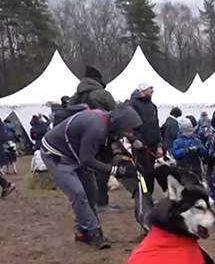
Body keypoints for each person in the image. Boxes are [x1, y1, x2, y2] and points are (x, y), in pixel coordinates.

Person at [41, 105, 142, 249]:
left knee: (91, 192)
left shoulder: (107, 124)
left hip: (74, 154)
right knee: (78, 193)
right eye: (128, 129)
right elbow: (87, 160)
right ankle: (94, 233)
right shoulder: (97, 128)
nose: (129, 133)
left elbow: (105, 153)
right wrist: (116, 170)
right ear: (119, 124)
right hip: (55, 154)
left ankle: (83, 231)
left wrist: (126, 162)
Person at [72, 65, 118, 213]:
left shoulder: (75, 97)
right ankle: (102, 202)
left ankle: (88, 202)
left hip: (80, 139)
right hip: (102, 137)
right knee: (103, 169)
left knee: (85, 170)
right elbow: (116, 115)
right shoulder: (102, 94)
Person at [127, 82, 162, 196]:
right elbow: (128, 125)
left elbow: (156, 126)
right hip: (140, 145)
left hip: (152, 145)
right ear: (143, 90)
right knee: (143, 172)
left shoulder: (153, 106)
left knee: (150, 173)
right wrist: (134, 139)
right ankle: (143, 196)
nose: (153, 90)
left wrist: (159, 144)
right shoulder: (133, 104)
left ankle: (149, 196)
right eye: (150, 88)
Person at [196, 111, 215, 201]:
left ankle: (210, 194)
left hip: (206, 156)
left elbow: (198, 141)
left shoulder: (198, 128)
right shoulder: (212, 128)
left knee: (207, 176)